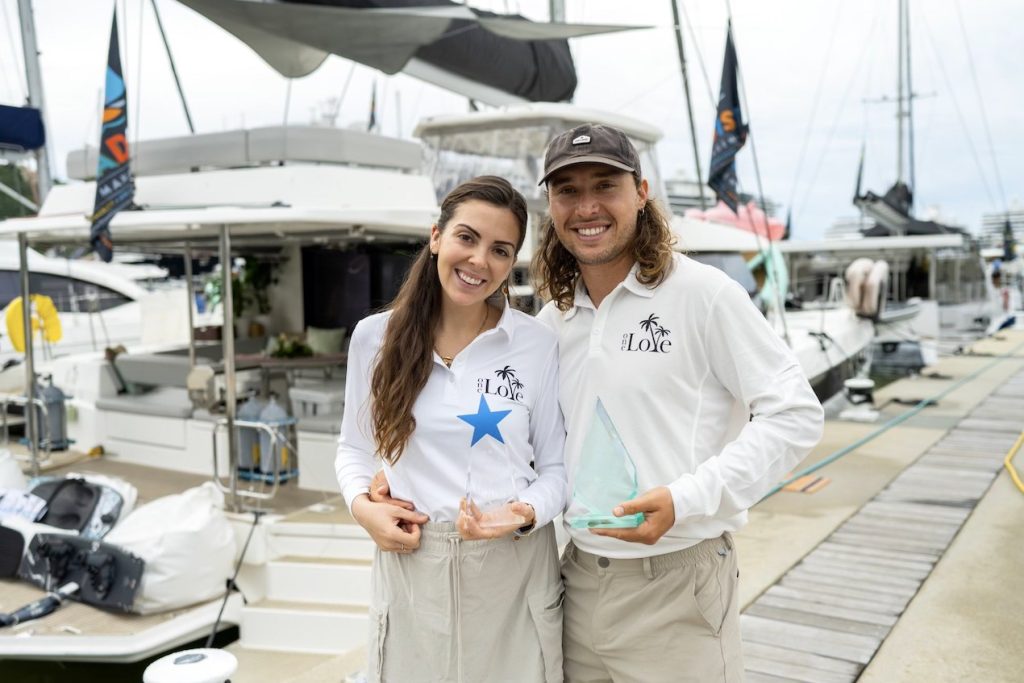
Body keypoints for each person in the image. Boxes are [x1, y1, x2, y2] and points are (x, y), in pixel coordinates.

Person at [532, 124, 824, 682]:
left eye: (605, 186)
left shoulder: (704, 295)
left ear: (641, 193)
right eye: (567, 190)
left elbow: (795, 414)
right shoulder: (554, 320)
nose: (586, 206)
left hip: (678, 581)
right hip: (575, 582)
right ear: (551, 205)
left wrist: (687, 498)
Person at [335, 176, 568, 683]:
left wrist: (523, 513)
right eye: (467, 238)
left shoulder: (536, 344)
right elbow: (354, 448)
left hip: (515, 565)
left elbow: (556, 469)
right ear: (437, 236)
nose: (480, 261)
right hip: (414, 564)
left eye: (500, 250)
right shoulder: (374, 338)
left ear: (512, 263)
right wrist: (362, 509)